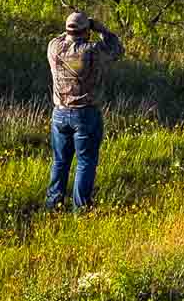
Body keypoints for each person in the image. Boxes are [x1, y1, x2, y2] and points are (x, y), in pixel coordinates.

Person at [44, 11, 124, 211]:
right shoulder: (93, 51)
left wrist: (76, 24)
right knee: (85, 163)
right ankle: (81, 208)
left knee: (60, 161)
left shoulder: (54, 48)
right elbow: (117, 50)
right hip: (85, 114)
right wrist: (101, 29)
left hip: (60, 113)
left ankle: (53, 204)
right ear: (86, 32)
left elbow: (62, 36)